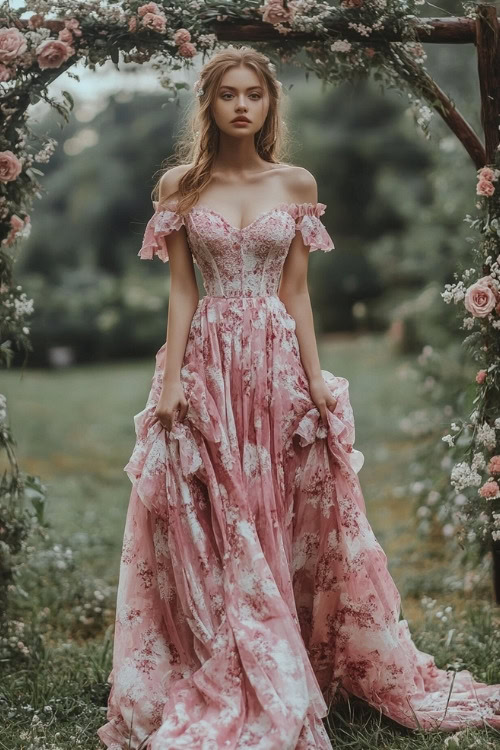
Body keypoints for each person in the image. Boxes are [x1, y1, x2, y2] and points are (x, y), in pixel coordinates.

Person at [98, 46, 500, 750]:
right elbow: (183, 291)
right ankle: (231, 647)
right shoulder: (181, 188)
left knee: (284, 499)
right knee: (218, 504)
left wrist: (316, 378)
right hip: (210, 362)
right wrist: (170, 382)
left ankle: (292, 646)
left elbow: (295, 291)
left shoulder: (295, 183)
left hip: (276, 357)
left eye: (255, 93)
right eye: (229, 94)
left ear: (269, 103)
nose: (243, 105)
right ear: (211, 105)